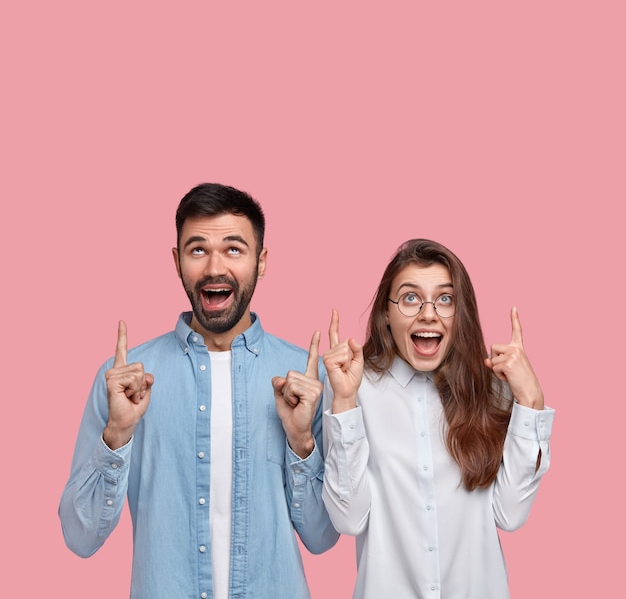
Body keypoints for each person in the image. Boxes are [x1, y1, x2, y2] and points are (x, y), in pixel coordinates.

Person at [59, 183, 339, 599]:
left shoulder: (305, 380)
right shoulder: (126, 381)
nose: (214, 268)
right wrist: (116, 436)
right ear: (176, 261)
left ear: (261, 262)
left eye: (233, 249)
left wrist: (301, 443)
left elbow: (322, 538)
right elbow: (80, 537)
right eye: (197, 250)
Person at [321, 238, 555, 599]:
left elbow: (511, 514)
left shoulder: (491, 389)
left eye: (445, 298)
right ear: (386, 312)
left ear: (460, 313)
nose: (428, 313)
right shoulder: (354, 388)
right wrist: (346, 402)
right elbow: (349, 519)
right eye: (410, 298)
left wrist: (531, 402)